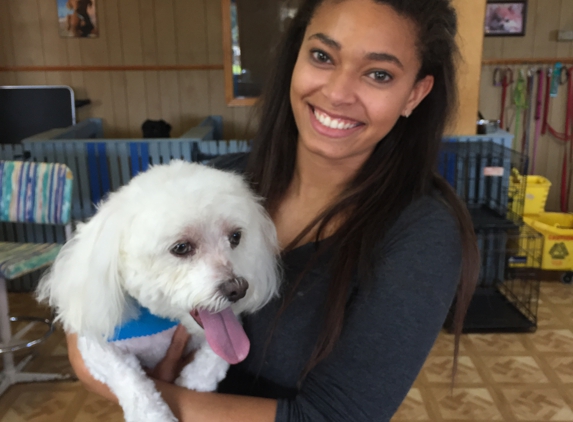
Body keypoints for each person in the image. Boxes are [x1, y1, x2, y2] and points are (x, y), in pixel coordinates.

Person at [66, 0, 479, 420]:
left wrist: (141, 392)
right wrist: (90, 346)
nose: (337, 92)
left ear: (415, 93)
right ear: (295, 57)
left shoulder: (422, 234)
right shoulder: (217, 184)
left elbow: (336, 418)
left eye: (378, 74)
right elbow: (97, 282)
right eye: (322, 56)